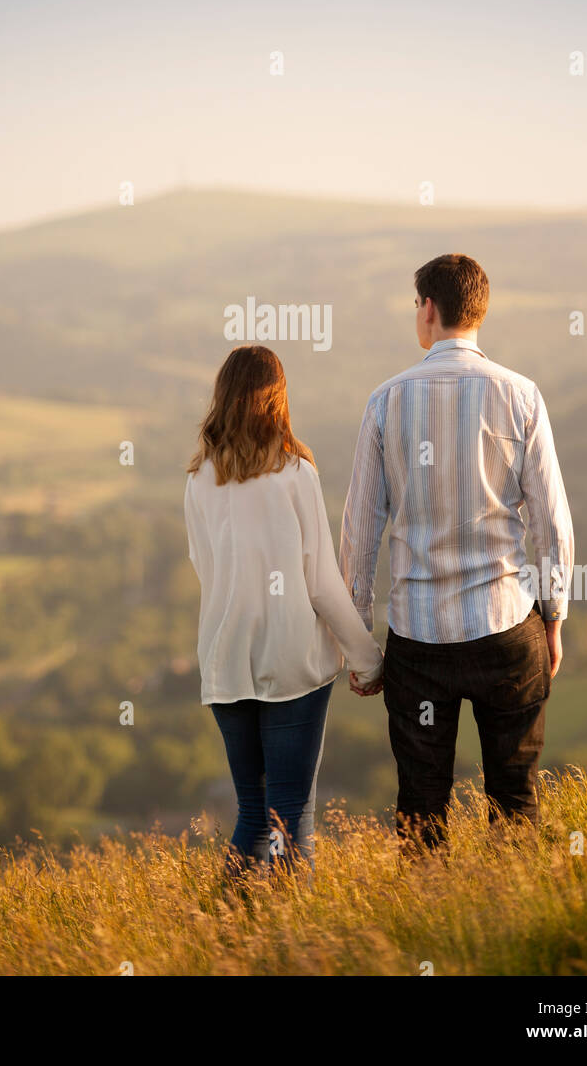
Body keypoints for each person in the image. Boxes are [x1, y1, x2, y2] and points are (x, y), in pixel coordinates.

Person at [340, 253, 574, 851]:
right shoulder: (522, 396)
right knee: (516, 800)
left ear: (429, 309)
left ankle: (426, 931)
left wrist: (359, 641)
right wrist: (553, 616)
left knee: (420, 812)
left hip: (419, 642)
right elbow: (550, 520)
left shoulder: (385, 402)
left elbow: (360, 530)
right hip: (505, 627)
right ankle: (510, 928)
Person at [185, 345, 383, 881]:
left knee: (252, 812)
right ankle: (296, 935)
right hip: (291, 659)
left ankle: (230, 928)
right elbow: (320, 579)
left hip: (225, 661)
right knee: (292, 812)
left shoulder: (199, 478)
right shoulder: (295, 472)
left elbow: (206, 569)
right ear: (276, 398)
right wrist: (367, 660)